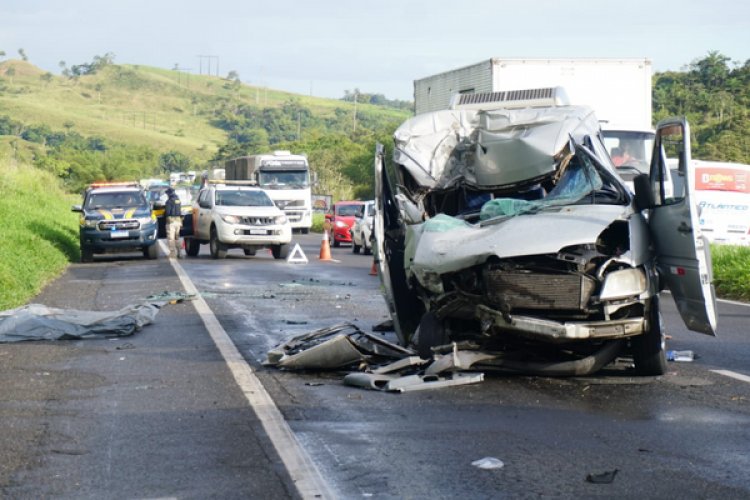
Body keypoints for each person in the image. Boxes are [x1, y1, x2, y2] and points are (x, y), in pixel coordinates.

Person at [164, 187, 183, 259]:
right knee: (177, 237)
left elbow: (167, 212)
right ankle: (180, 253)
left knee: (171, 238)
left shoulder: (168, 201)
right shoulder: (178, 200)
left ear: (169, 194)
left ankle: (172, 253)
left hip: (171, 221)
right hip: (178, 221)